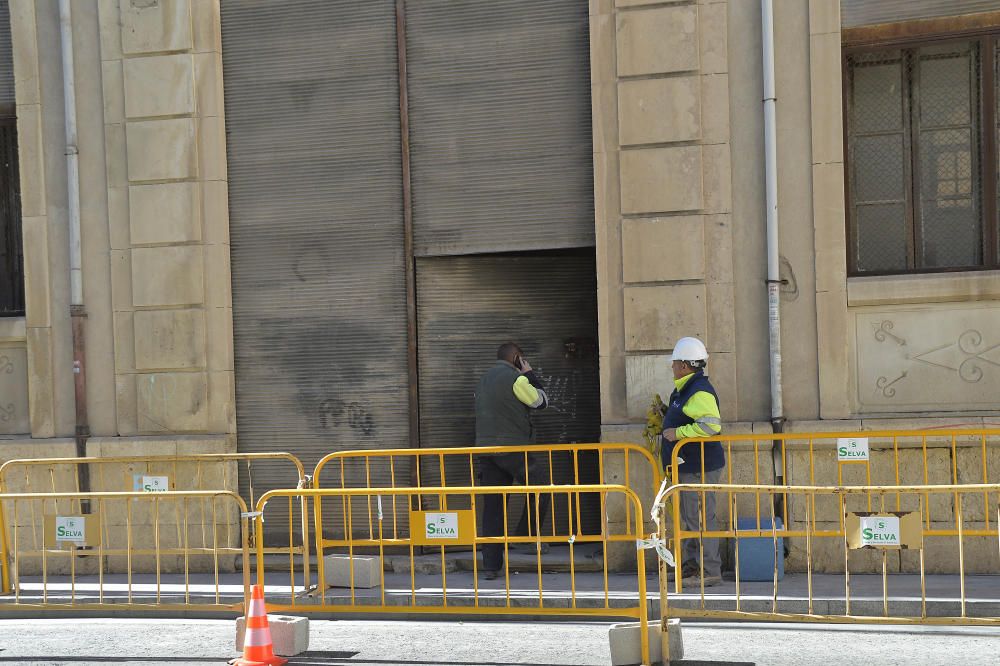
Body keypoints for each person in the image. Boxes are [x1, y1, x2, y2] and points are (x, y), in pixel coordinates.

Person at [475, 342, 550, 580]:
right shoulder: (516, 379)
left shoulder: (484, 379)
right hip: (513, 449)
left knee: (493, 506)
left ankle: (490, 565)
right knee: (541, 488)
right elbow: (540, 402)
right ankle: (527, 537)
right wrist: (529, 374)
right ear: (517, 358)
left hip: (486, 450)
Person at [660, 336, 725, 586]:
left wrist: (678, 433)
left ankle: (709, 571)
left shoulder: (699, 390)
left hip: (699, 466)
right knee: (688, 518)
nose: (672, 367)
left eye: (675, 363)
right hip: (687, 466)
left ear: (685, 365)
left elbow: (711, 425)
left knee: (700, 518)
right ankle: (690, 566)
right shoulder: (684, 389)